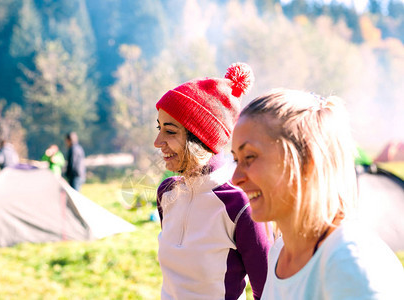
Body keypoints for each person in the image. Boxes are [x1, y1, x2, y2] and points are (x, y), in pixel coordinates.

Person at [231, 89, 404, 299]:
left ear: (307, 161)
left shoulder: (348, 262)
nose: (235, 178)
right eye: (235, 159)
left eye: (250, 157)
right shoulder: (280, 251)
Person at [154, 63, 271, 300]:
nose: (157, 141)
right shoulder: (166, 192)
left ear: (200, 138)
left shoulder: (238, 204)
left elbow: (268, 291)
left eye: (170, 131)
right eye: (159, 128)